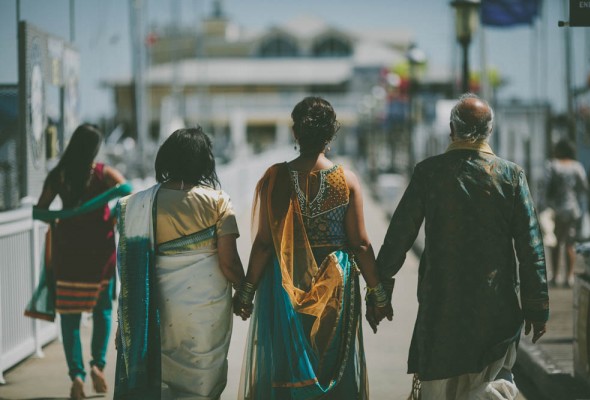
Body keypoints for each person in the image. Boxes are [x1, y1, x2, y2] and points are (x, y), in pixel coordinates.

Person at [372, 94, 549, 400]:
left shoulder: (429, 173)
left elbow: (398, 237)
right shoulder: (510, 176)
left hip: (441, 307)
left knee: (440, 389)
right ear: (489, 131)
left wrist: (379, 292)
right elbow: (530, 246)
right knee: (491, 384)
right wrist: (537, 305)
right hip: (496, 309)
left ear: (452, 129)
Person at [236, 96, 392, 400]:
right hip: (335, 291)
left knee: (287, 373)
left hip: (284, 290)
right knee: (331, 372)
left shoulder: (275, 178)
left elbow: (265, 244)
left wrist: (245, 292)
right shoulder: (346, 180)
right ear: (331, 135)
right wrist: (380, 295)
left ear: (295, 133)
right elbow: (360, 244)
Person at [114, 127, 245, 400]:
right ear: (205, 161)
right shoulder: (218, 202)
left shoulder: (137, 204)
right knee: (201, 384)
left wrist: (123, 323)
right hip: (204, 313)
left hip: (156, 309)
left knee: (161, 384)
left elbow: (130, 273)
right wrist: (245, 291)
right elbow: (230, 262)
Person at [35, 123, 129, 400]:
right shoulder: (102, 173)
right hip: (100, 252)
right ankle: (97, 365)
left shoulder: (58, 175)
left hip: (68, 252)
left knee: (70, 316)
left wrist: (67, 215)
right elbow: (128, 189)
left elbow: (40, 211)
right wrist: (109, 213)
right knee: (102, 311)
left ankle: (76, 375)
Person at [545, 139, 588, 287]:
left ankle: (556, 276)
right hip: (572, 209)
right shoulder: (577, 167)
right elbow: (584, 187)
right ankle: (569, 277)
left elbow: (546, 187)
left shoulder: (552, 165)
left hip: (556, 209)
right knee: (570, 244)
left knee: (555, 243)